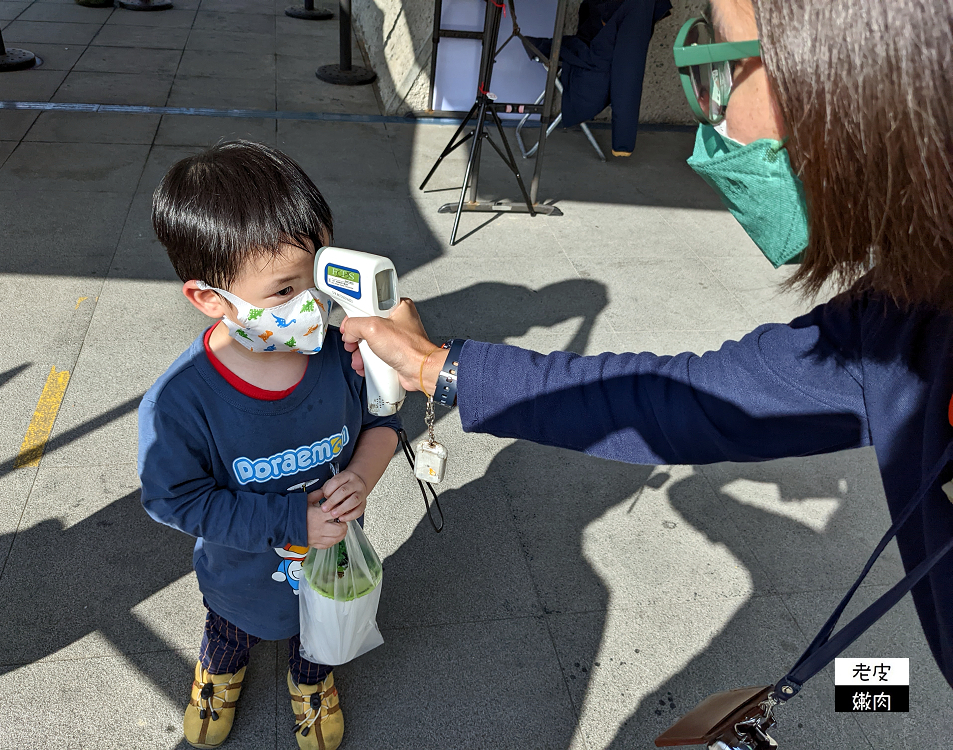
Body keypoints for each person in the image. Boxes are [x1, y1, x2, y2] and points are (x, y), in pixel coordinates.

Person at [339, 0, 953, 695]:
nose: (711, 116)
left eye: (717, 65)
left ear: (840, 77)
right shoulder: (904, 309)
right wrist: (437, 367)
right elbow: (687, 401)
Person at [137, 141, 400, 750]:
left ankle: (312, 682)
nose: (311, 304)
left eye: (319, 280)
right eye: (283, 291)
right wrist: (293, 518)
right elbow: (173, 498)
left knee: (319, 638)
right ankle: (219, 672)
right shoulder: (182, 401)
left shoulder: (342, 356)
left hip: (333, 564)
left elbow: (384, 424)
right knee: (232, 627)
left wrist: (363, 472)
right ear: (208, 297)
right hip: (239, 573)